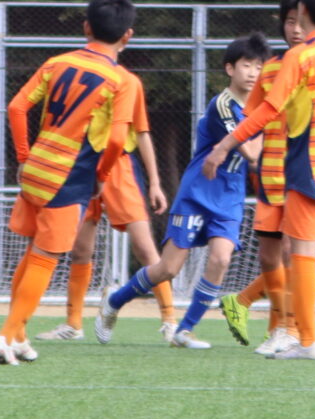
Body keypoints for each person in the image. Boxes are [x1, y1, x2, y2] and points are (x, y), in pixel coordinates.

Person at [204, 0, 315, 361]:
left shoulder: (301, 57)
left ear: (304, 11)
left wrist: (223, 146)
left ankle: (306, 341)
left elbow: (267, 110)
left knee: (303, 253)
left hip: (309, 165)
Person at [0, 0, 146, 366]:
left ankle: (19, 336)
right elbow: (118, 140)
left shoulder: (56, 63)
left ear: (86, 27)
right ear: (128, 35)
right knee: (46, 258)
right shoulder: (123, 80)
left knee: (32, 253)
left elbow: (17, 107)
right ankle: (5, 335)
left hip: (36, 167)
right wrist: (102, 175)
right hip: (69, 175)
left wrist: (23, 156)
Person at [99, 34, 268, 346]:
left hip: (229, 196)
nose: (253, 73)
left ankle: (184, 330)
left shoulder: (258, 107)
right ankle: (115, 301)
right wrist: (269, 119)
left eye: (259, 67)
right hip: (199, 194)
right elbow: (252, 153)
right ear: (230, 69)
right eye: (247, 65)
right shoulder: (223, 105)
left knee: (221, 259)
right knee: (168, 268)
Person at [37, 61, 170, 343]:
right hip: (84, 164)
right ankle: (73, 324)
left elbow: (142, 132)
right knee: (80, 249)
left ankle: (170, 321)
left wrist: (155, 182)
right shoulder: (85, 76)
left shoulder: (128, 81)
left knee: (145, 247)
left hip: (120, 165)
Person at [225, 0, 303, 355]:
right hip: (270, 177)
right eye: (290, 21)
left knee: (293, 254)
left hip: (306, 177)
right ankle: (275, 324)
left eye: (302, 21)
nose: (296, 29)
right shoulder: (270, 70)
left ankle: (289, 327)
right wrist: (247, 147)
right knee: (270, 257)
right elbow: (252, 117)